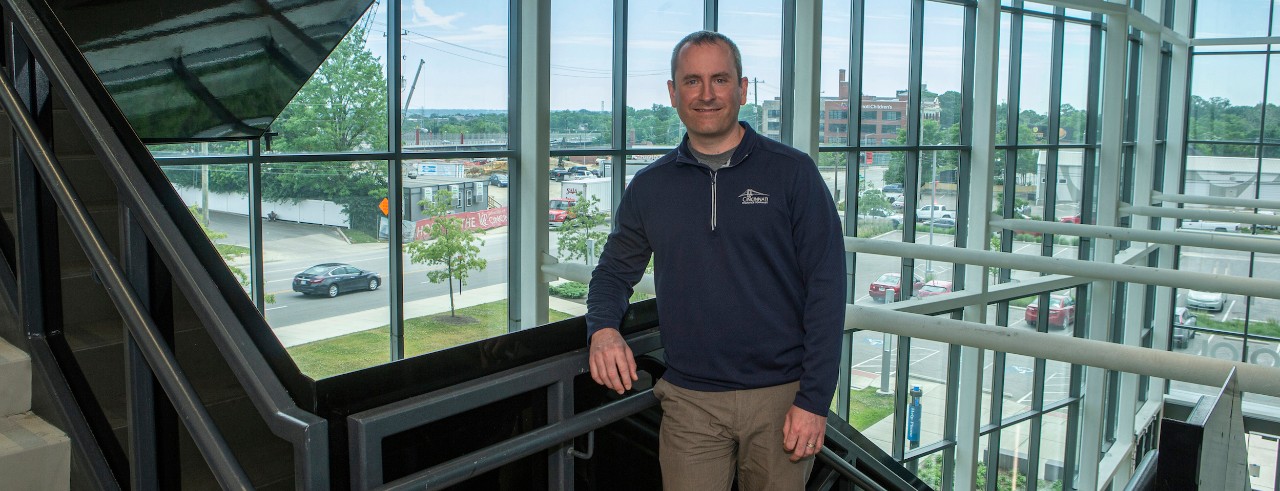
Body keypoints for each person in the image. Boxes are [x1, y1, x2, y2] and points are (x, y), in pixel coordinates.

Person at [585, 31, 847, 490]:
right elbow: (612, 272)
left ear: (742, 89)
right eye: (692, 81)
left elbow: (826, 291)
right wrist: (603, 329)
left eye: (720, 79)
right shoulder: (650, 186)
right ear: (673, 92)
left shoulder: (793, 173)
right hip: (690, 402)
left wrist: (814, 401)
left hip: (782, 401)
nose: (706, 94)